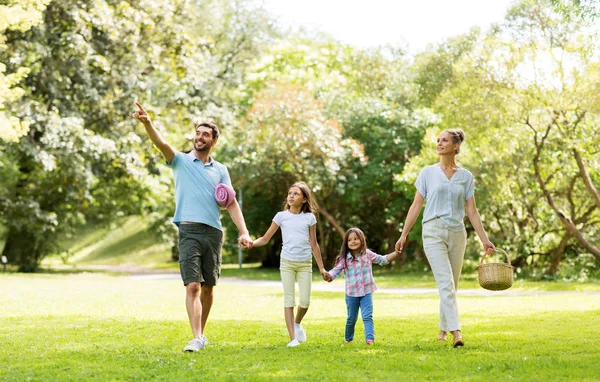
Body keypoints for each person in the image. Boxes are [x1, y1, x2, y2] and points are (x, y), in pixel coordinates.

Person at [132, 102, 252, 352]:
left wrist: (244, 231)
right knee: (193, 285)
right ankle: (196, 336)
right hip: (188, 231)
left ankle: (201, 335)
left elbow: (230, 203)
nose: (199, 137)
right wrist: (147, 124)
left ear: (213, 141)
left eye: (205, 134)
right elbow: (162, 144)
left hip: (213, 232)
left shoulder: (220, 170)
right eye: (197, 133)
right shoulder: (181, 162)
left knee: (209, 286)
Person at [395, 129, 495, 348]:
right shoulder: (427, 173)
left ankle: (442, 329)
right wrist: (404, 234)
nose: (439, 143)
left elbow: (472, 212)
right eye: (438, 140)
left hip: (457, 233)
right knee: (446, 283)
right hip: (433, 230)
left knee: (452, 285)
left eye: (444, 140)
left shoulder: (466, 176)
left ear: (456, 146)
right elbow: (416, 205)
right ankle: (456, 332)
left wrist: (484, 240)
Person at [248, 182, 329, 347]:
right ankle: (293, 339)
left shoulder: (310, 218)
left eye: (296, 194)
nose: (291, 196)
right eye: (290, 193)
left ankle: (297, 323)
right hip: (287, 263)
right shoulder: (281, 216)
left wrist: (321, 267)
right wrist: (251, 243)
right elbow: (265, 238)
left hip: (305, 264)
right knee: (289, 300)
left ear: (304, 199)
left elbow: (314, 244)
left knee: (305, 302)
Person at [326, 227, 401, 345]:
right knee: (351, 318)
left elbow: (382, 259)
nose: (353, 241)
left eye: (356, 239)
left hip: (366, 292)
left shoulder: (368, 254)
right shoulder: (344, 259)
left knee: (367, 316)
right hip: (351, 294)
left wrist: (396, 253)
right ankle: (348, 339)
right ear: (346, 243)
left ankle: (369, 339)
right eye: (350, 240)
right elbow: (335, 271)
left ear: (361, 240)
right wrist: (328, 276)